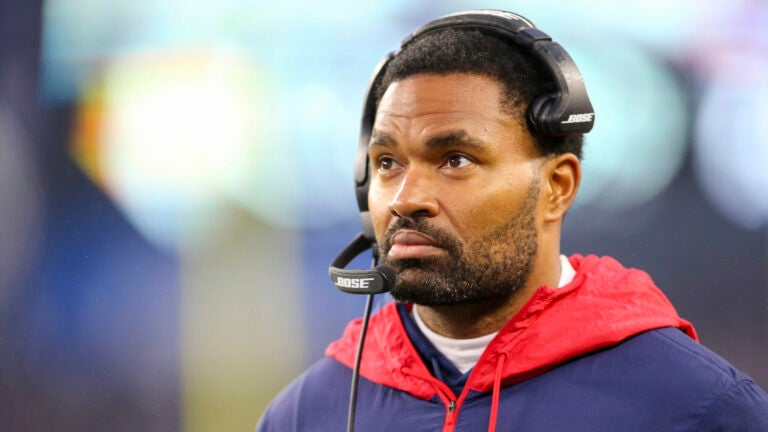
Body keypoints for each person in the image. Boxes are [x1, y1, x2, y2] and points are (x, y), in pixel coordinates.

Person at [256, 10, 768, 432]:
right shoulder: (305, 415)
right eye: (387, 163)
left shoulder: (698, 410)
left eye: (456, 159)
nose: (407, 198)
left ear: (557, 187)